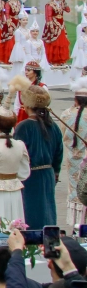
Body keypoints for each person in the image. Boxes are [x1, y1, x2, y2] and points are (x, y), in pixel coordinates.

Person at [13, 83, 62, 228]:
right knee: (47, 211)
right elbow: (58, 154)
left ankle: (32, 244)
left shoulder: (23, 127)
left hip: (29, 176)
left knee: (31, 214)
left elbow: (16, 153)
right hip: (48, 174)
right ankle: (48, 240)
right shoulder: (54, 126)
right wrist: (55, 173)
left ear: (27, 105)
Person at [61, 78, 87, 226]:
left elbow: (63, 134)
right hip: (85, 159)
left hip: (72, 158)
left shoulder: (66, 114)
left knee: (75, 190)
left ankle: (76, 223)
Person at [43, 0, 71, 67]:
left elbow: (68, 10)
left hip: (61, 25)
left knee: (62, 43)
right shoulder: (49, 5)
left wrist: (64, 1)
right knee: (54, 42)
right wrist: (51, 26)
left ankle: (60, 61)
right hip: (53, 25)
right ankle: (53, 61)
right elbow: (48, 17)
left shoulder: (61, 4)